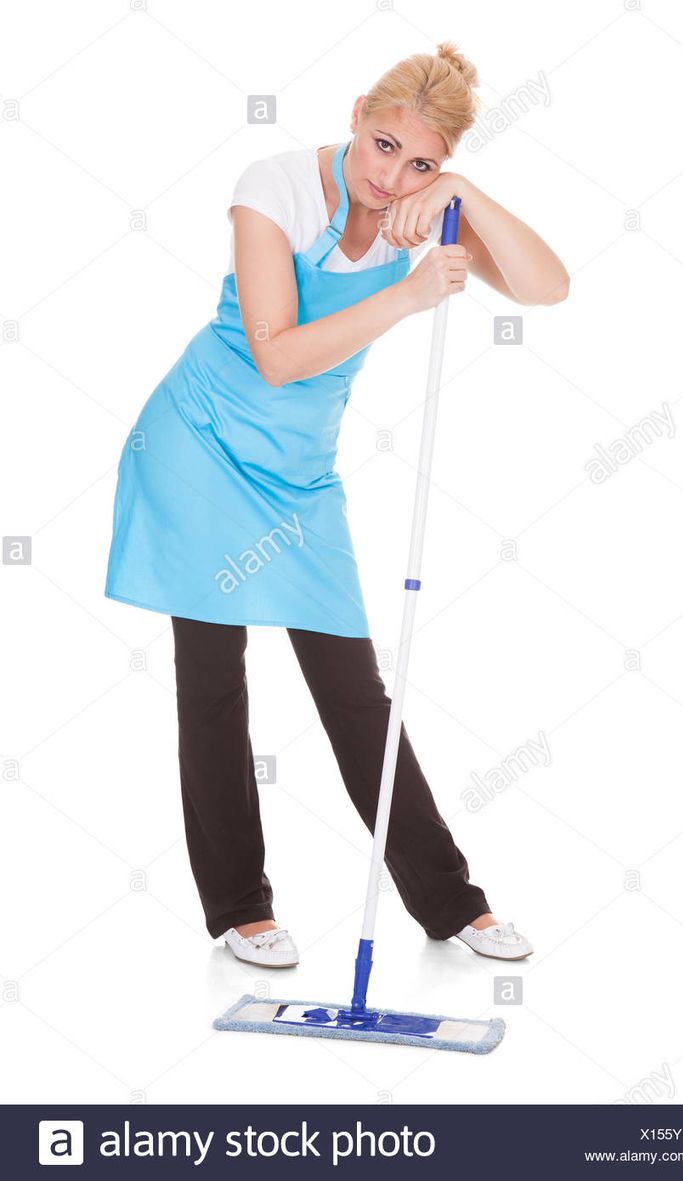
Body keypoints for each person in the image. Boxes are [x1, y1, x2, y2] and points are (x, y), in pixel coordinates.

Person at [104, 41, 569, 969]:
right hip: (199, 446)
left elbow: (546, 286)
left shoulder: (420, 208)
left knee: (356, 692)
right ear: (358, 114)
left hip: (298, 475)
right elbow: (276, 353)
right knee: (214, 682)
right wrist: (405, 299)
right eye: (384, 145)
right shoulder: (273, 185)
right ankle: (240, 907)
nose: (391, 174)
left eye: (421, 162)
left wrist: (464, 203)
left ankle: (453, 904)